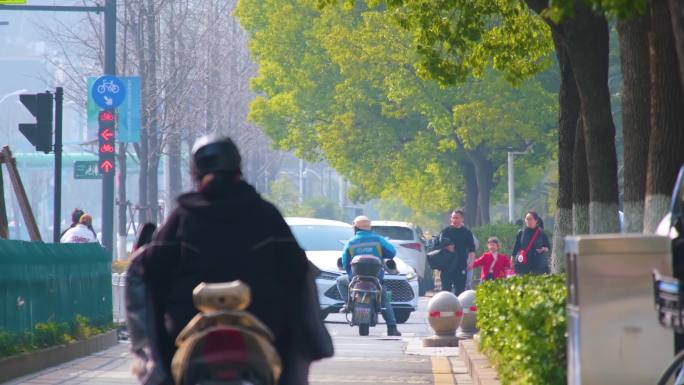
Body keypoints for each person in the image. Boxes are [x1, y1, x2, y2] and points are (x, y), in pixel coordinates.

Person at [125, 135, 332, 385]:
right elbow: (296, 268)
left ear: (195, 172)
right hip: (266, 322)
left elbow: (149, 268)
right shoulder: (265, 214)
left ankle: (150, 362)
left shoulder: (182, 217)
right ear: (237, 169)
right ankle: (312, 346)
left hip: (184, 325)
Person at [335, 215, 402, 336]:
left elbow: (345, 261)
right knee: (384, 300)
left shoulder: (351, 242)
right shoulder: (378, 240)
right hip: (376, 279)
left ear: (356, 228)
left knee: (340, 281)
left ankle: (349, 303)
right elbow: (392, 252)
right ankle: (392, 328)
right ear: (369, 227)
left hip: (356, 279)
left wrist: (351, 276)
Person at [437, 209, 476, 295]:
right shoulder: (445, 231)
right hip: (447, 267)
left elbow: (472, 250)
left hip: (461, 266)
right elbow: (437, 246)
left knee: (460, 291)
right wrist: (446, 247)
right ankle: (446, 308)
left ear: (462, 219)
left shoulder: (467, 232)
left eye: (456, 218)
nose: (454, 220)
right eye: (452, 218)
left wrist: (471, 263)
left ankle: (458, 308)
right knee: (446, 291)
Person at [511, 211, 550, 275]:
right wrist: (512, 259)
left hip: (537, 263)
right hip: (523, 262)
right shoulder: (521, 232)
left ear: (536, 220)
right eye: (527, 219)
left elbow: (547, 247)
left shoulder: (542, 233)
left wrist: (543, 249)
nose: (528, 221)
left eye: (530, 219)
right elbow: (516, 247)